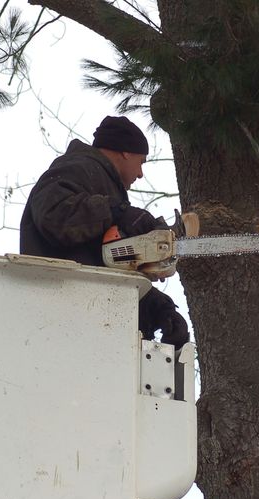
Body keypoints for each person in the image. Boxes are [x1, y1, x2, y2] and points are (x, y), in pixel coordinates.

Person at [20, 115, 190, 349]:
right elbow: (53, 217)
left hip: (90, 319)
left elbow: (109, 264)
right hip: (60, 311)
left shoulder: (104, 185)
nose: (140, 174)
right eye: (141, 162)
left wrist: (159, 307)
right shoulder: (79, 167)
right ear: (125, 152)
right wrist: (118, 210)